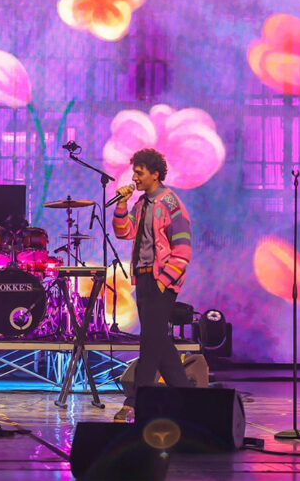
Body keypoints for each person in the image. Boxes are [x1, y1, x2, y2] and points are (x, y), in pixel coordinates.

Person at [111, 149, 193, 422]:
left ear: (155, 174)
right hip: (143, 278)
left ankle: (134, 403)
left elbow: (183, 249)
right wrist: (121, 205)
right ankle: (190, 400)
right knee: (160, 343)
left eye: (139, 172)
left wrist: (164, 281)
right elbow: (124, 232)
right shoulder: (140, 204)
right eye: (134, 172)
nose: (134, 177)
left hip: (160, 281)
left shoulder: (170, 203)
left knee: (149, 343)